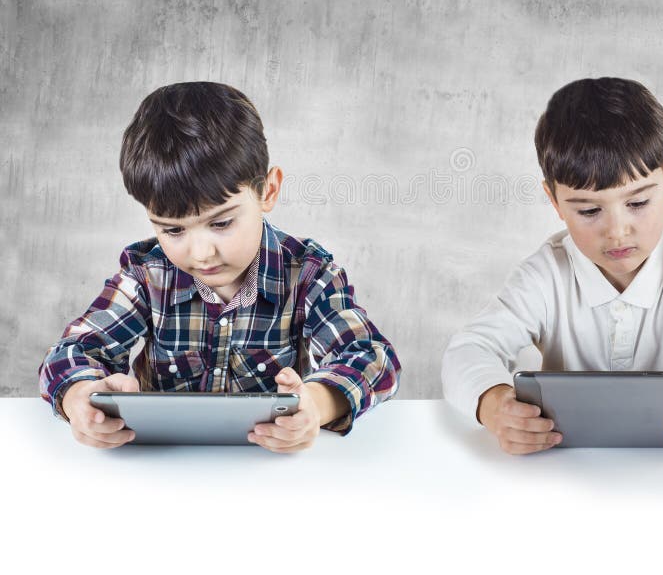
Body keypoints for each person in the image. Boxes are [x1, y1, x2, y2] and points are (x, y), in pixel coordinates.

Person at [39, 82, 401, 451]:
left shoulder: (308, 273)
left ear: (268, 192)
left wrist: (316, 404)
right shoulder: (146, 275)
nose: (201, 253)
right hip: (162, 468)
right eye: (173, 230)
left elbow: (372, 357)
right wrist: (81, 396)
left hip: (270, 472)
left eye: (221, 223)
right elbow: (73, 351)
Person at [441, 77, 663, 454]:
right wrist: (495, 408)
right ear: (554, 201)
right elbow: (467, 351)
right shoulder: (545, 274)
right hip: (565, 467)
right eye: (589, 210)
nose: (617, 231)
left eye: (637, 203)